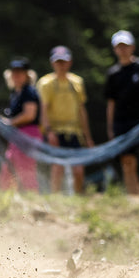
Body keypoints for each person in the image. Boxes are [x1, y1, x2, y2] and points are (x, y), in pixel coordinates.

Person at [104, 29, 139, 195]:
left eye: (125, 46)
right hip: (122, 122)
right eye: (119, 46)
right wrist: (110, 127)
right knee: (127, 160)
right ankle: (133, 196)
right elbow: (111, 102)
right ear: (115, 49)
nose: (123, 49)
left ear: (132, 47)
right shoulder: (113, 74)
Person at [36, 45, 94, 195]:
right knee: (57, 167)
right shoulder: (46, 83)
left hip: (75, 132)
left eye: (64, 61)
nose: (61, 65)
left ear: (70, 62)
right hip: (55, 131)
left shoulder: (77, 82)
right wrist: (49, 132)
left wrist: (87, 137)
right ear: (52, 63)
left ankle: (79, 198)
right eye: (58, 62)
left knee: (78, 169)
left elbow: (82, 110)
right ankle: (55, 198)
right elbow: (43, 109)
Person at [0, 57, 41, 193]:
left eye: (20, 72)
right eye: (14, 72)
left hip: (28, 134)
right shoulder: (16, 93)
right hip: (16, 137)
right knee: (7, 171)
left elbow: (30, 114)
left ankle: (33, 202)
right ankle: (10, 200)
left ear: (27, 74)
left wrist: (9, 122)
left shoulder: (29, 91)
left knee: (26, 171)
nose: (16, 75)